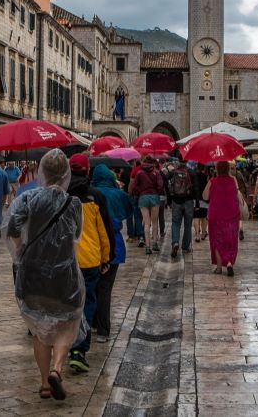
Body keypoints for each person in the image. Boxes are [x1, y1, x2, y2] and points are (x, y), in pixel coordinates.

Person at [7, 149, 84, 401]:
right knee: (67, 322)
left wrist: (20, 249)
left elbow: (13, 227)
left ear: (42, 172)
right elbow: (76, 235)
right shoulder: (73, 203)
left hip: (32, 273)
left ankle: (43, 383)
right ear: (65, 174)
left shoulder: (28, 199)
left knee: (40, 329)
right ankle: (57, 369)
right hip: (64, 274)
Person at [65, 154, 112, 375]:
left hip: (66, 260)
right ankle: (79, 350)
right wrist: (106, 258)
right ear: (87, 170)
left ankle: (65, 346)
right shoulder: (95, 197)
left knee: (68, 303)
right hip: (91, 259)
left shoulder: (61, 196)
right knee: (88, 303)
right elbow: (104, 231)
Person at [90, 163, 130, 341]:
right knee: (105, 289)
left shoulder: (90, 194)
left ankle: (93, 322)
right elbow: (128, 211)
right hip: (114, 245)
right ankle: (103, 330)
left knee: (93, 286)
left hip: (93, 245)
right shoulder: (118, 194)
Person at [202, 161, 240, 276]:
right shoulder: (233, 180)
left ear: (216, 169)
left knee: (217, 240)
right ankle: (229, 263)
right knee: (230, 239)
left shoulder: (212, 181)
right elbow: (237, 193)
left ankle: (219, 268)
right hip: (232, 214)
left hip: (216, 215)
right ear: (228, 168)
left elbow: (205, 196)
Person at [129, 155, 165, 255]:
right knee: (155, 222)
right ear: (152, 163)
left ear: (143, 162)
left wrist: (139, 193)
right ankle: (155, 243)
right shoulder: (156, 173)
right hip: (154, 197)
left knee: (146, 223)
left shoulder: (139, 173)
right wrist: (157, 192)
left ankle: (148, 247)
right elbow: (160, 186)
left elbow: (135, 187)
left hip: (143, 197)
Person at [166, 161, 196, 258]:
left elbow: (166, 182)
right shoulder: (191, 172)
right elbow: (196, 188)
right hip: (188, 201)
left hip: (176, 201)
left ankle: (175, 242)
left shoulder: (173, 172)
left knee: (175, 223)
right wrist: (197, 202)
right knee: (188, 225)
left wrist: (169, 200)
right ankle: (185, 246)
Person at [191, 163, 209, 243]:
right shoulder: (205, 176)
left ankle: (197, 235)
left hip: (195, 199)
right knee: (204, 217)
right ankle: (203, 234)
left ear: (197, 167)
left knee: (196, 217)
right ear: (203, 168)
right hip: (204, 199)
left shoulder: (193, 175)